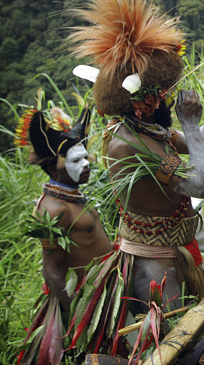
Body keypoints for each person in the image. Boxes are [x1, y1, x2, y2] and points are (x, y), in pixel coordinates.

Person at [64, 0, 204, 354]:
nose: (169, 97)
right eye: (162, 93)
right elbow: (202, 184)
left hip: (174, 250)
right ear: (143, 104)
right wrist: (192, 125)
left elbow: (197, 146)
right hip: (155, 268)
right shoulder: (131, 146)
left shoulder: (146, 129)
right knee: (170, 347)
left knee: (186, 337)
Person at [15, 104, 113, 365]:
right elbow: (51, 270)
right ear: (55, 167)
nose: (86, 165)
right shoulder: (53, 209)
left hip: (109, 290)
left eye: (85, 157)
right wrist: (79, 314)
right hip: (90, 303)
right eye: (75, 161)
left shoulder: (75, 198)